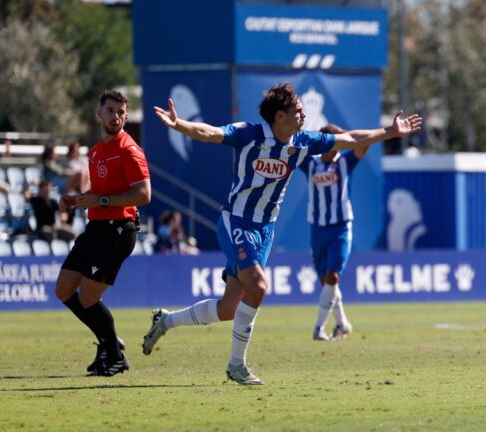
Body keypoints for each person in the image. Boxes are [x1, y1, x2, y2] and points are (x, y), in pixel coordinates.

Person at [143, 82, 422, 385]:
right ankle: (237, 365)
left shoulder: (302, 141)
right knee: (259, 286)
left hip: (265, 229)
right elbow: (210, 133)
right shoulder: (249, 133)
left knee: (227, 309)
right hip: (236, 220)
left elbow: (351, 138)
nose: (303, 115)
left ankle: (166, 321)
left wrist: (390, 132)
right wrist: (179, 124)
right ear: (279, 116)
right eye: (298, 110)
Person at [54, 90, 151, 377]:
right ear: (99, 113)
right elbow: (99, 194)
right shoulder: (95, 152)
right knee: (63, 289)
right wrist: (76, 200)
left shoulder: (129, 149)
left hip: (118, 230)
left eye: (121, 112)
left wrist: (102, 202)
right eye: (111, 111)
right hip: (95, 227)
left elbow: (144, 195)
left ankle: (114, 353)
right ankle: (110, 343)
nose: (116, 117)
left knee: (88, 297)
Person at [298, 123, 368, 341]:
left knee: (332, 276)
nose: (334, 149)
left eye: (337, 145)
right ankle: (343, 324)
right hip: (317, 228)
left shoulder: (345, 163)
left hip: (340, 226)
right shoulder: (311, 164)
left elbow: (363, 146)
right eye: (330, 144)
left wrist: (345, 135)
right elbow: (292, 147)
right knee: (326, 283)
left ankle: (319, 328)